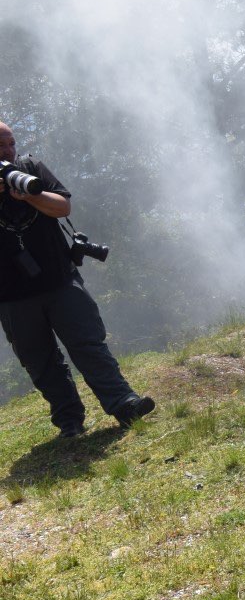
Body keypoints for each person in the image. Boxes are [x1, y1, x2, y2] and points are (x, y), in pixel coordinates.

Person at [0, 122, 154, 437]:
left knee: (87, 342)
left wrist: (27, 196)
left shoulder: (30, 169)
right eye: (0, 147)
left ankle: (124, 403)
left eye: (10, 144)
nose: (8, 152)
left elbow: (62, 207)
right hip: (12, 295)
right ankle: (69, 421)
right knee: (39, 361)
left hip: (60, 280)